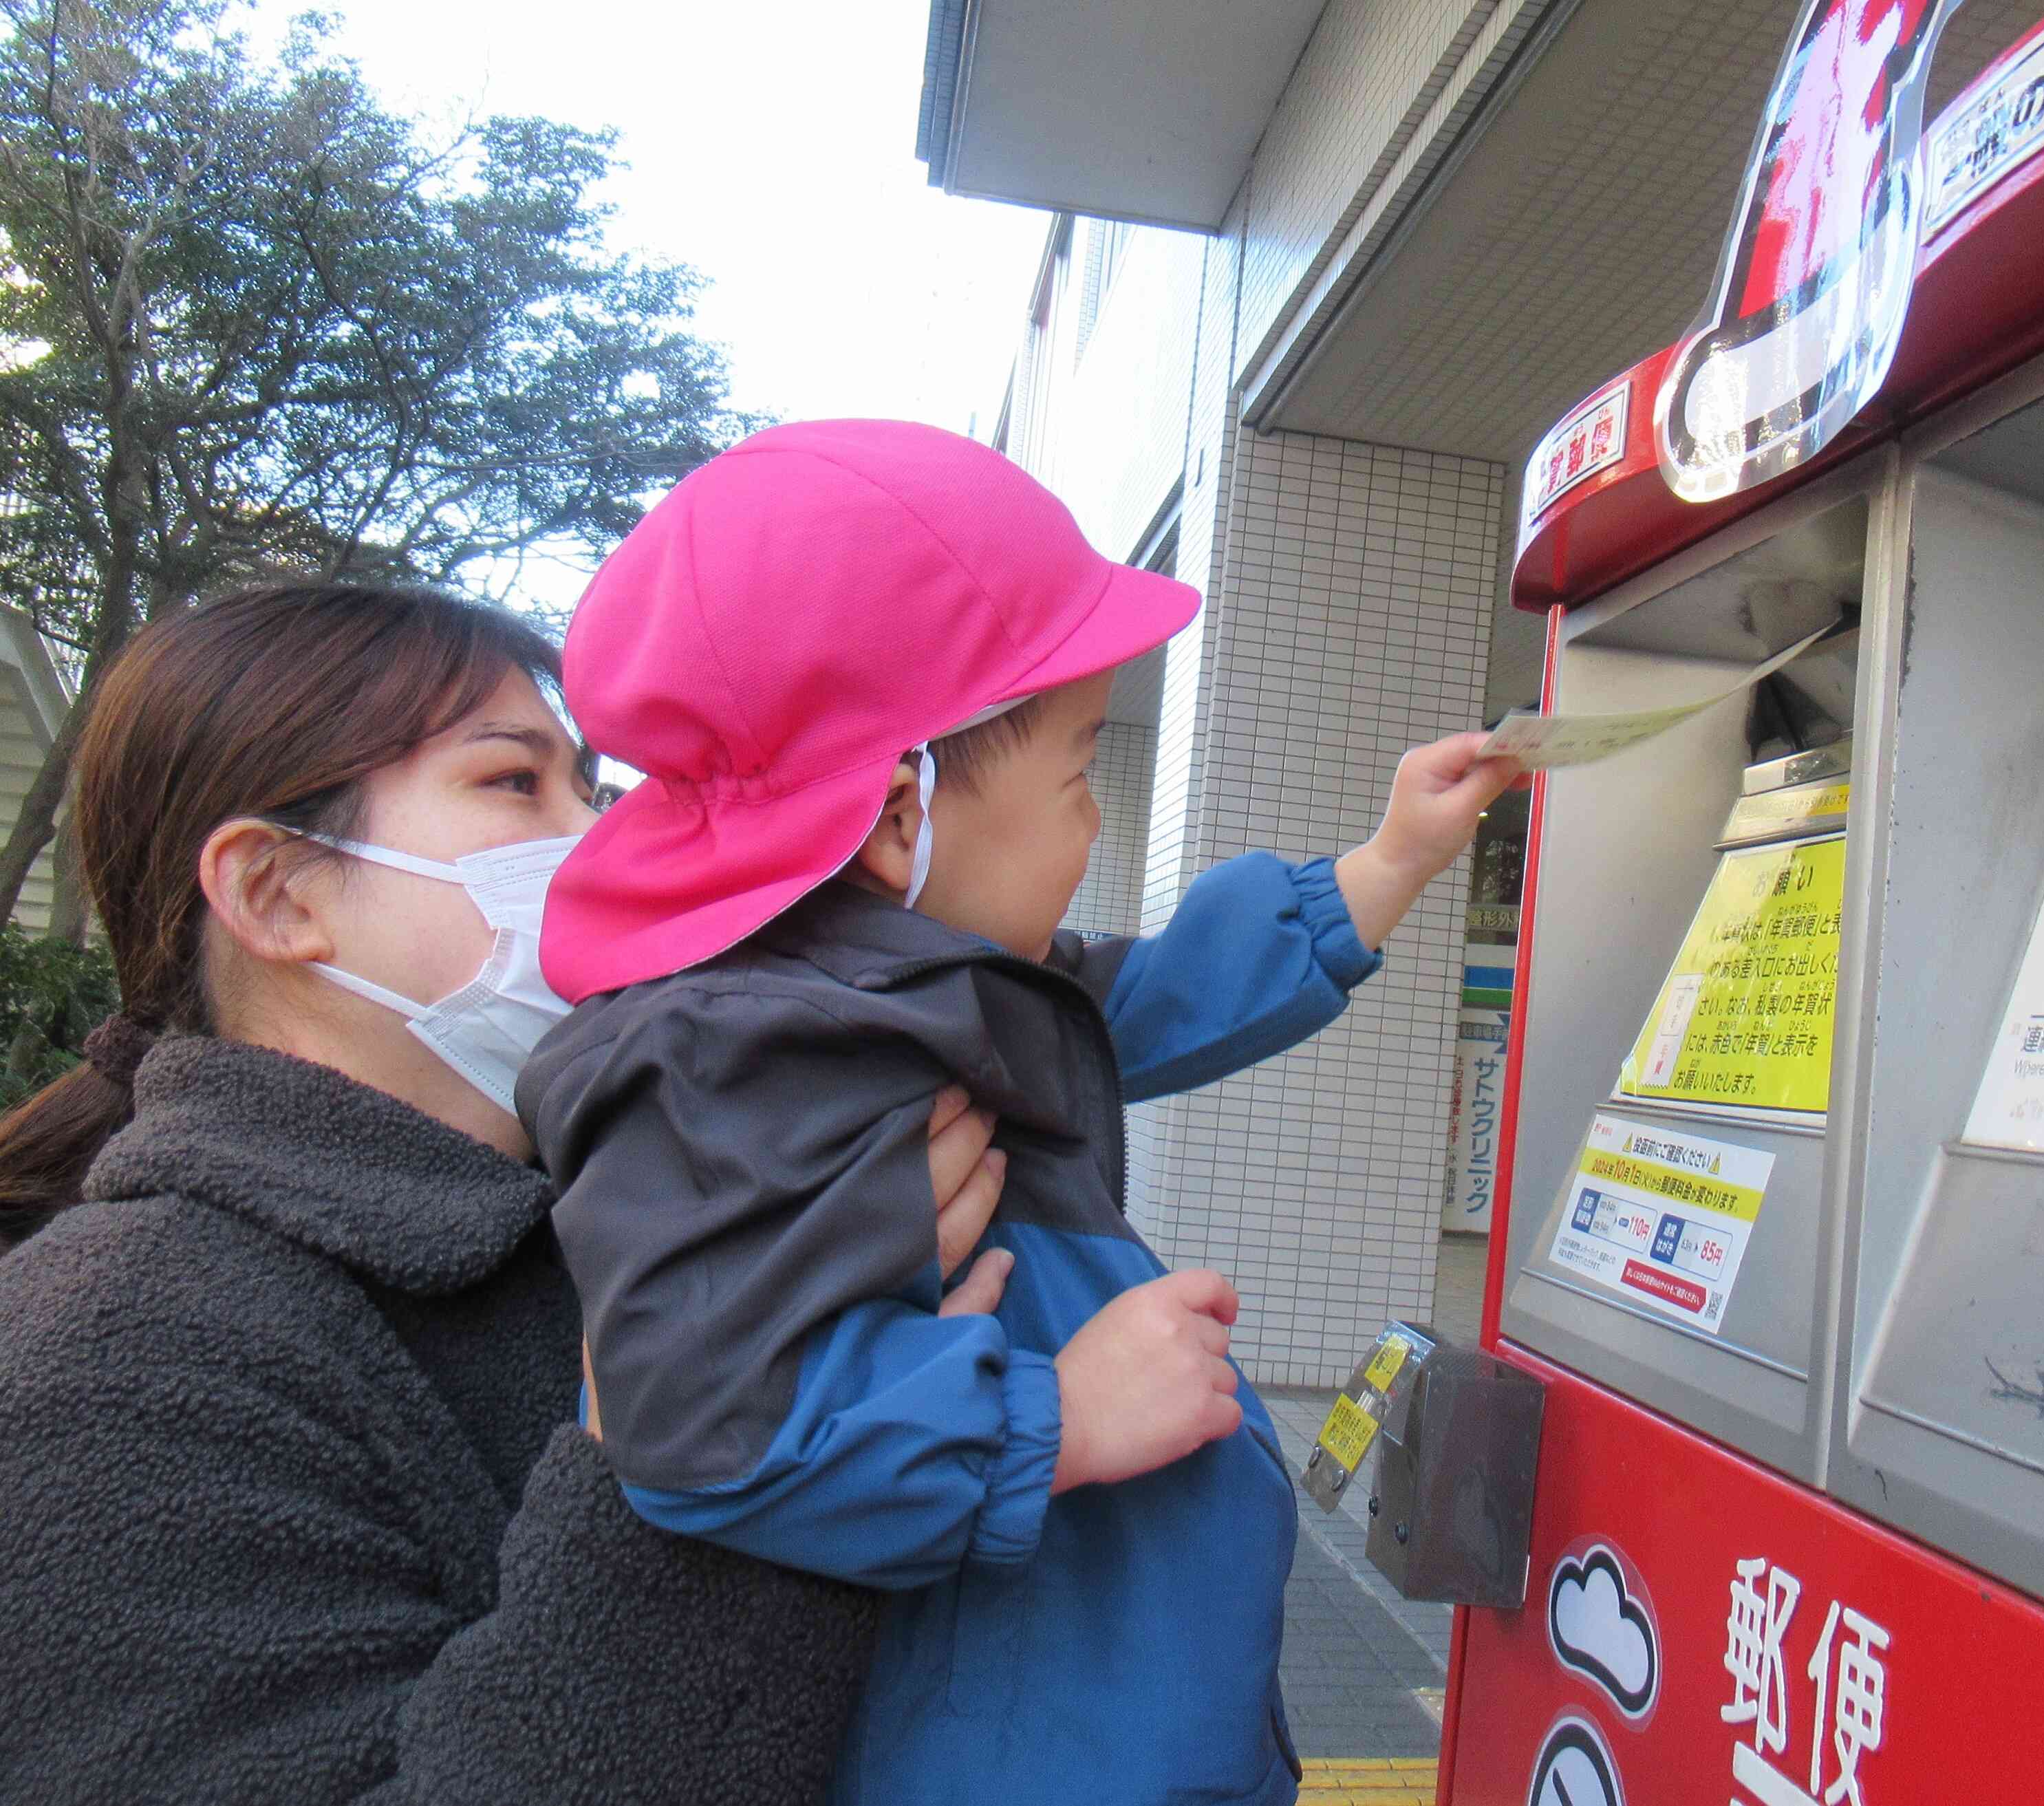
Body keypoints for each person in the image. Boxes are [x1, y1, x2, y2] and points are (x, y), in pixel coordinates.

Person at [521, 419, 1516, 1806]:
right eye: (1077, 768)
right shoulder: (735, 1056)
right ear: (893, 815)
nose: (1096, 822)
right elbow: (705, 1431)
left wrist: (1390, 857)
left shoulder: (921, 988)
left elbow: (1150, 996)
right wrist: (1057, 1415)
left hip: (1103, 1712)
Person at [0, 578, 1017, 1803]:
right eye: (515, 783)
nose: (606, 834)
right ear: (278, 894)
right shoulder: (113, 1357)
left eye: (589, 784)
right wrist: (721, 1428)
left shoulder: (611, 1213)